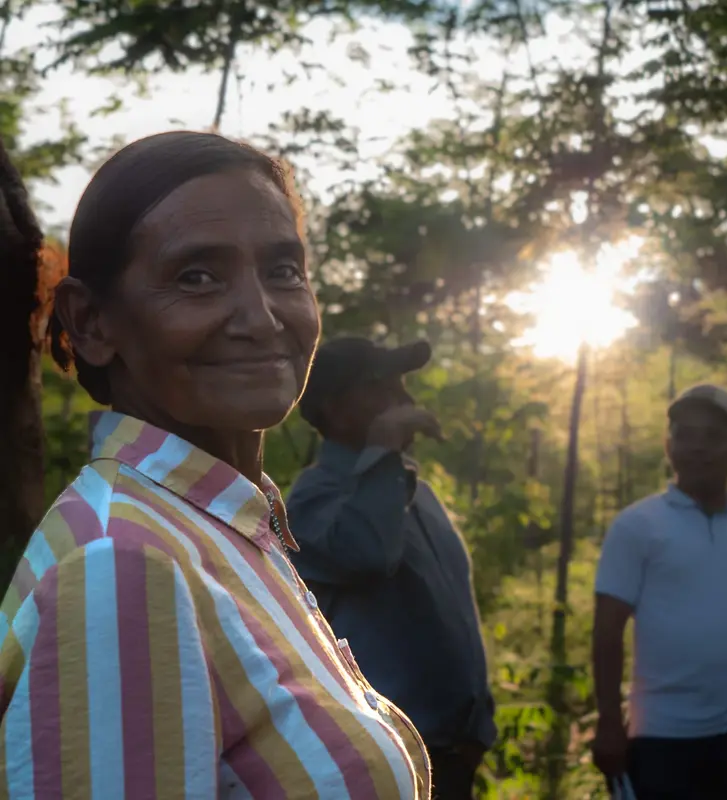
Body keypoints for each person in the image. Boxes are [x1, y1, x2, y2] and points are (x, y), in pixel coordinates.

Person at [0, 131, 430, 799]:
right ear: (91, 322)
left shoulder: (221, 527)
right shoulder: (120, 565)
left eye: (284, 271)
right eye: (196, 277)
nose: (262, 318)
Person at [286, 337, 497, 800]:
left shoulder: (413, 489)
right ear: (336, 409)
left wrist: (479, 723)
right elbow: (368, 554)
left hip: (452, 756)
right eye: (384, 387)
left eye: (404, 386)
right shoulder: (312, 498)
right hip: (385, 762)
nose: (406, 401)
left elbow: (455, 608)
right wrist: (382, 449)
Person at [592, 384, 727, 800]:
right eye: (685, 435)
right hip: (662, 736)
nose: (698, 447)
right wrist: (610, 723)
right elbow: (607, 630)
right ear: (668, 447)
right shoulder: (637, 526)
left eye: (713, 436)